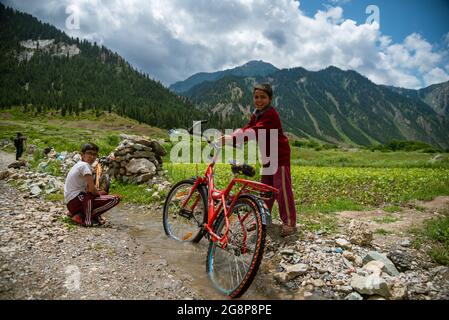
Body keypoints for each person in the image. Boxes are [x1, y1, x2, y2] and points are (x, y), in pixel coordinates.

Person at [220, 84, 298, 237]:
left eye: (263, 97)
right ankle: (263, 218)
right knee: (265, 189)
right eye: (256, 97)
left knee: (282, 189)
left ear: (270, 99)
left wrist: (233, 137)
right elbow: (248, 127)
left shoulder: (271, 114)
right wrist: (235, 138)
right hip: (267, 155)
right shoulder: (256, 113)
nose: (259, 100)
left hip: (279, 156)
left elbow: (254, 131)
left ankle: (289, 222)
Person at [64, 143, 120, 227]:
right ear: (82, 154)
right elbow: (91, 190)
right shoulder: (84, 166)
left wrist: (97, 193)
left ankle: (77, 214)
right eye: (89, 153)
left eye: (94, 154)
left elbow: (87, 188)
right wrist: (99, 193)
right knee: (115, 198)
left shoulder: (78, 165)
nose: (92, 157)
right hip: (76, 201)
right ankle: (83, 216)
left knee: (95, 195)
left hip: (71, 204)